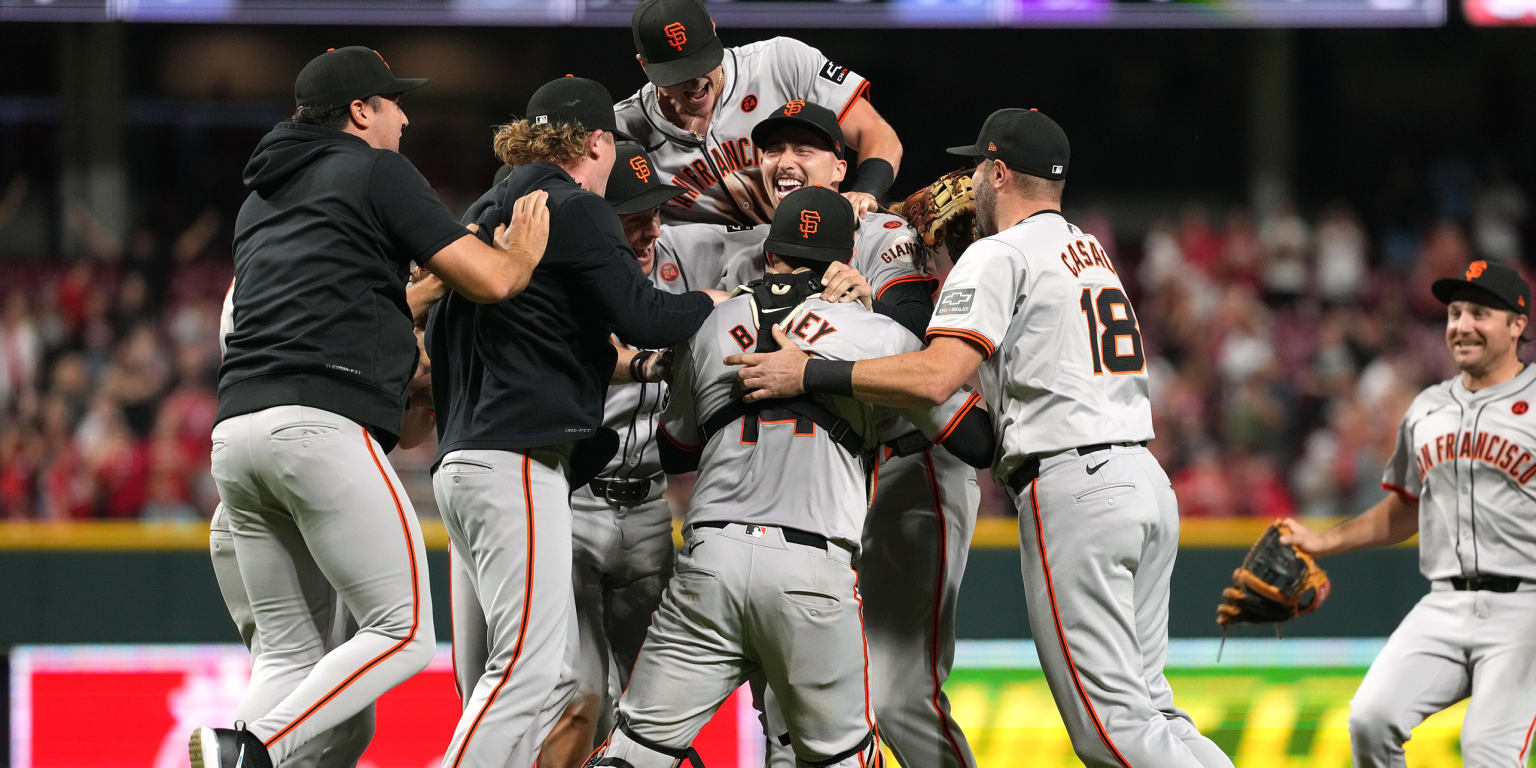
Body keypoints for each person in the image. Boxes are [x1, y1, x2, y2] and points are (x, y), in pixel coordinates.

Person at [729, 108, 1233, 768]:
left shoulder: (999, 254)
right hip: (1141, 478)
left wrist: (811, 367)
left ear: (998, 172)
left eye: (976, 168)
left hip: (1075, 485)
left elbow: (937, 377)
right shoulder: (1086, 246)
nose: (968, 182)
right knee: (1152, 711)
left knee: (1109, 731)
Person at [191, 46, 548, 768]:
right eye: (393, 102)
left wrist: (420, 295)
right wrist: (519, 258)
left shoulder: (262, 196)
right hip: (315, 428)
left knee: (293, 660)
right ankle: (250, 747)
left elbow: (354, 299)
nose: (405, 115)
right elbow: (489, 280)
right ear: (360, 111)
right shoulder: (375, 168)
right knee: (405, 630)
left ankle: (244, 749)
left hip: (235, 439)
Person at [590, 186, 994, 768]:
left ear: (770, 253)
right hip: (812, 568)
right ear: (847, 259)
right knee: (841, 757)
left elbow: (676, 451)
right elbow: (973, 441)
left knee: (635, 752)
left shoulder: (709, 324)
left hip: (710, 561)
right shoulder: (879, 336)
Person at [428, 76, 724, 768]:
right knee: (529, 673)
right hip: (516, 461)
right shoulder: (576, 204)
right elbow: (645, 315)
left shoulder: (487, 210)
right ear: (597, 140)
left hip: (465, 460)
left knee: (526, 676)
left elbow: (478, 336)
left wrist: (628, 369)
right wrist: (716, 300)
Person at [722, 99, 979, 768]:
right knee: (789, 697)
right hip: (814, 485)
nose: (786, 161)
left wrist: (857, 312)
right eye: (774, 148)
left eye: (805, 148)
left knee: (899, 699)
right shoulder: (745, 251)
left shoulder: (884, 231)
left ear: (842, 166)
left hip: (907, 463)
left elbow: (918, 341)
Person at [1282, 260, 1536, 768]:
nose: (1462, 325)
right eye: (1455, 313)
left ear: (1516, 325)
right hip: (1443, 605)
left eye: (1480, 313)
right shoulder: (1426, 408)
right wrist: (1325, 541)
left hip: (1524, 607)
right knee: (1370, 721)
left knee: (1487, 749)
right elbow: (1405, 509)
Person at [615, 0, 902, 226]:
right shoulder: (623, 129)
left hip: (816, 246)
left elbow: (875, 132)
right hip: (713, 281)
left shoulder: (779, 62)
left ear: (714, 30)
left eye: (700, 61)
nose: (694, 80)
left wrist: (866, 191)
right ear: (644, 65)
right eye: (677, 72)